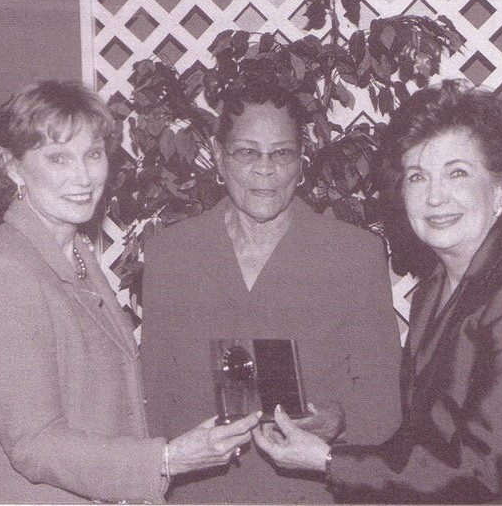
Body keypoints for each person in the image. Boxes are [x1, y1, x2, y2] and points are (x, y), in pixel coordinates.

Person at [253, 79, 502, 504]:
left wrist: (329, 461)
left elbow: (479, 466)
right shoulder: (435, 286)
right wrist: (337, 432)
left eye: (457, 173)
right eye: (418, 177)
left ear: (500, 191)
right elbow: (426, 439)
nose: (435, 196)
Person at [0, 80, 260, 504]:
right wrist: (168, 458)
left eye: (93, 154)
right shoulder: (7, 275)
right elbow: (35, 444)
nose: (82, 177)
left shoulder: (76, 253)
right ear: (12, 167)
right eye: (58, 158)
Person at [141, 77, 402, 503]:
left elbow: (386, 399)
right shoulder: (171, 255)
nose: (265, 169)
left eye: (282, 153)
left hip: (310, 494)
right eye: (247, 152)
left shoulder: (355, 255)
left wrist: (339, 420)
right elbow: (154, 396)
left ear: (301, 162)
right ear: (220, 159)